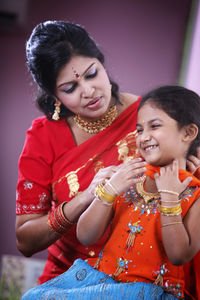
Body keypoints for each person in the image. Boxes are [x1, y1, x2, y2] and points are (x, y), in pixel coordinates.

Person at [21, 85, 200, 300]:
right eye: (140, 129)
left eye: (155, 126)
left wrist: (170, 198)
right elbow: (86, 236)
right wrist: (108, 192)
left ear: (188, 133)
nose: (143, 137)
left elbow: (179, 255)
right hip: (101, 283)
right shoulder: (130, 179)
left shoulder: (194, 193)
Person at [15, 20, 143, 284]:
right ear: (54, 97)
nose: (89, 91)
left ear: (101, 62)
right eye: (70, 89)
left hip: (144, 276)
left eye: (92, 73)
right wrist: (85, 199)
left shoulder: (150, 115)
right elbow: (25, 240)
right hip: (71, 278)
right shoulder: (43, 138)